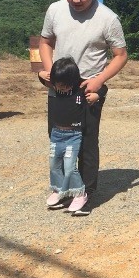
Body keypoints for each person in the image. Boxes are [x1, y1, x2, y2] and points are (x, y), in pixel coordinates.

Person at [38, 0, 128, 216]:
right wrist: (51, 72)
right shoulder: (55, 10)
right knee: (57, 141)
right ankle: (62, 187)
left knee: (86, 142)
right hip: (59, 87)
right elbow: (44, 42)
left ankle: (84, 193)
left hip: (89, 87)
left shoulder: (107, 18)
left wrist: (99, 80)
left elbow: (121, 56)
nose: (75, 0)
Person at [45, 57, 105, 212]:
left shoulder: (80, 88)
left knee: (70, 167)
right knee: (54, 165)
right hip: (57, 134)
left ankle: (80, 194)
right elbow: (42, 77)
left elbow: (103, 87)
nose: (61, 88)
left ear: (73, 80)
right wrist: (41, 72)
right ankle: (60, 190)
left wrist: (96, 96)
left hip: (73, 136)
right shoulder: (56, 85)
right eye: (57, 84)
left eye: (64, 85)